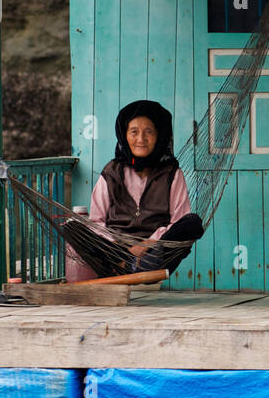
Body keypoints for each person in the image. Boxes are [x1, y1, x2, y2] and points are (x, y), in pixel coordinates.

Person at [65, 99, 203, 281]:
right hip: (115, 251)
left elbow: (178, 220)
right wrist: (118, 248)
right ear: (124, 135)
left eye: (149, 132)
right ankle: (122, 264)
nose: (141, 139)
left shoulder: (172, 174)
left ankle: (142, 265)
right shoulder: (111, 172)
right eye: (134, 132)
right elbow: (97, 221)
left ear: (160, 136)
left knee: (191, 223)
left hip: (155, 251)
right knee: (73, 227)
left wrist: (144, 246)